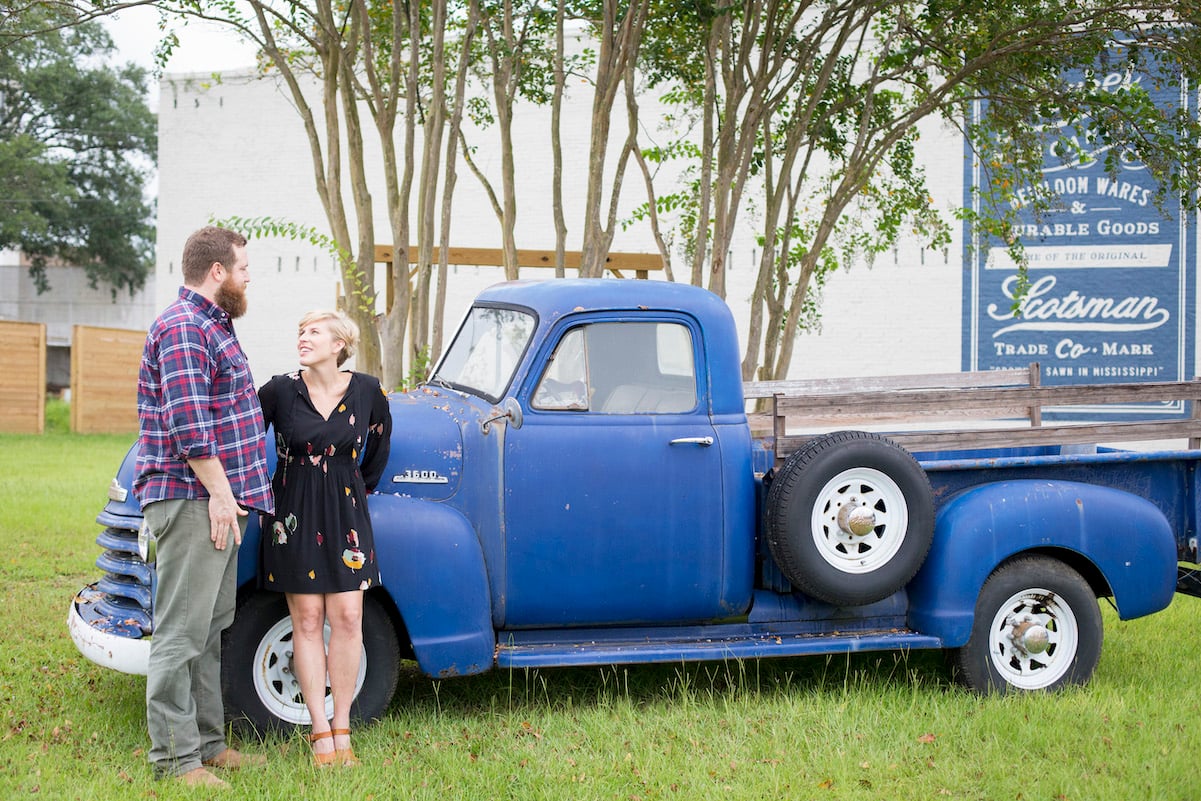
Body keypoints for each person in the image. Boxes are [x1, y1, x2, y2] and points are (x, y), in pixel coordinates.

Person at [134, 226, 273, 788]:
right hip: (194, 498)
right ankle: (174, 758)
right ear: (217, 272)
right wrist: (220, 494)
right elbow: (190, 427)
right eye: (242, 268)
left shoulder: (214, 326)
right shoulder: (185, 327)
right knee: (181, 631)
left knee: (210, 625)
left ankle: (208, 744)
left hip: (216, 499)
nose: (248, 277)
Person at [257, 310, 392, 767]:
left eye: (313, 331)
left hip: (346, 511)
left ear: (340, 344)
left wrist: (349, 488)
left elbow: (378, 447)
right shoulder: (279, 391)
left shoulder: (368, 390)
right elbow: (249, 443)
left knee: (349, 616)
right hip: (293, 512)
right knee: (309, 618)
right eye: (300, 331)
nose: (303, 338)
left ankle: (343, 726)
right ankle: (320, 733)